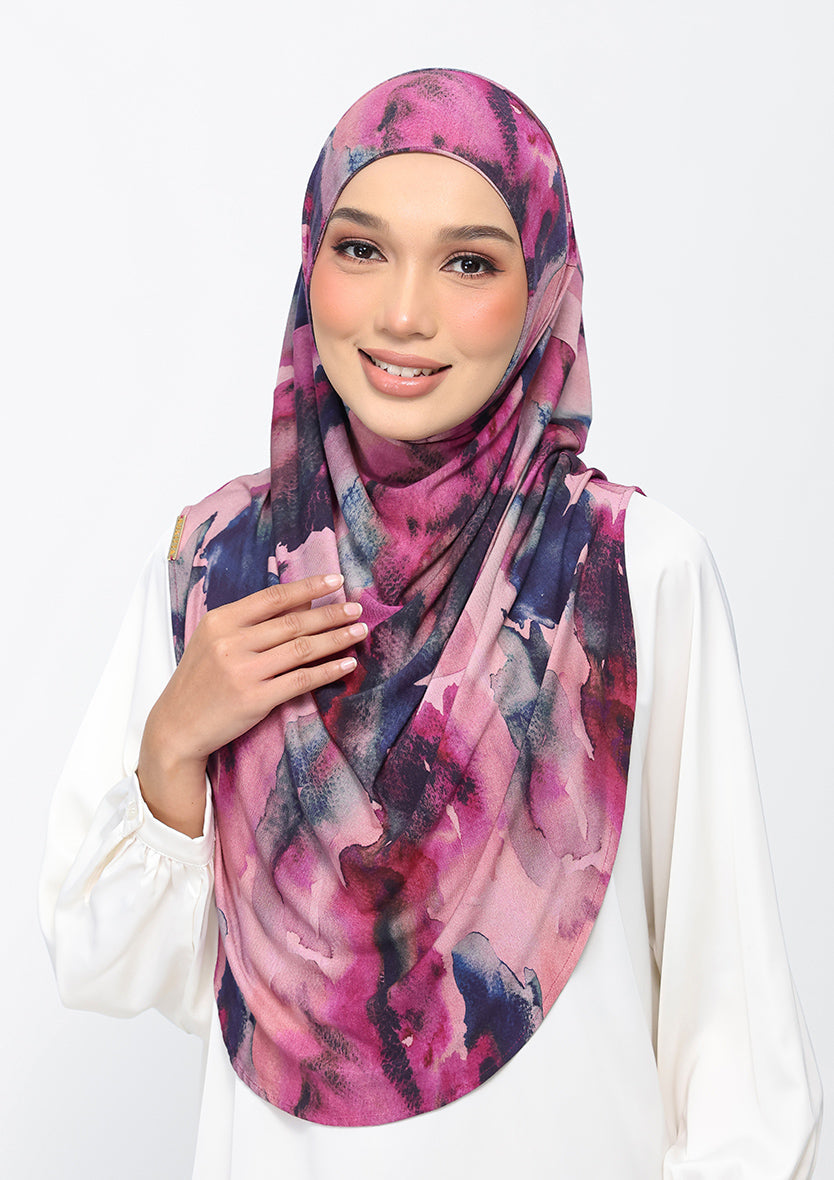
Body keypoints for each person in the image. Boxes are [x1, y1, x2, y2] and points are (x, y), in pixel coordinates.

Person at [39, 68, 822, 1177]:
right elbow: (112, 964)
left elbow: (735, 1044)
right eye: (361, 248)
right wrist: (172, 746)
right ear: (310, 262)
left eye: (468, 263)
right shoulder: (220, 566)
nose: (403, 313)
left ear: (544, 285)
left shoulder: (631, 572)